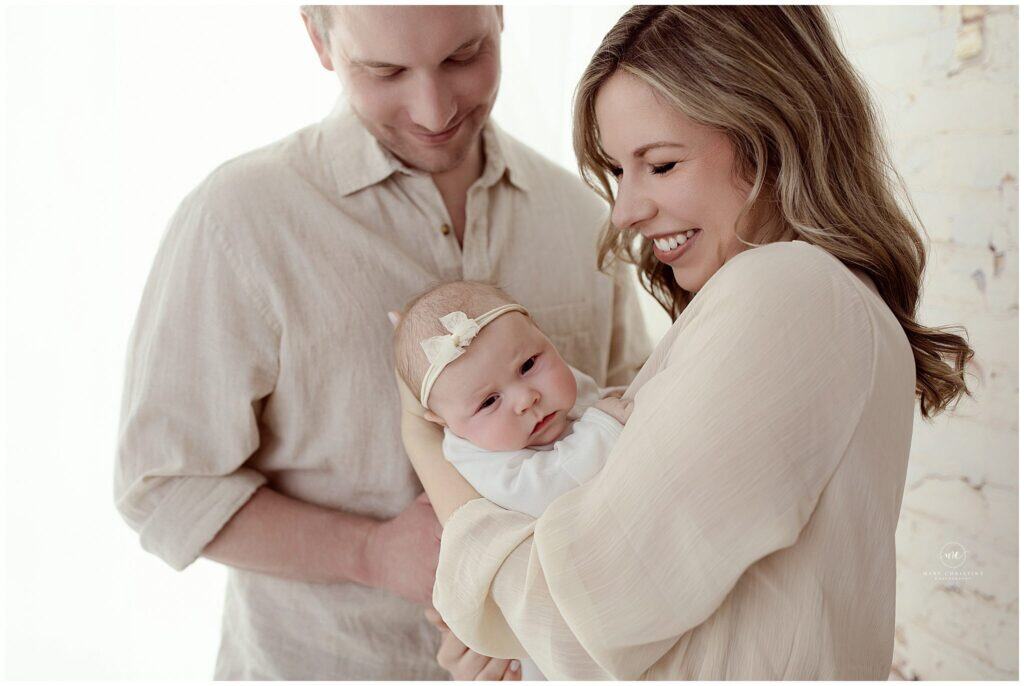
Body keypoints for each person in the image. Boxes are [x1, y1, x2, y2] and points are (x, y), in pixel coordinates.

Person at [398, 6, 974, 680]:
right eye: (618, 171)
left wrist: (427, 446)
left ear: (771, 134)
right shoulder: (786, 300)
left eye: (662, 165)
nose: (625, 211)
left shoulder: (790, 291)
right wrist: (505, 638)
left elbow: (581, 610)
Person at [113, 5, 650, 680]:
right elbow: (163, 485)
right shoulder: (239, 219)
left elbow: (634, 442)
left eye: (463, 56)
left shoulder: (579, 216)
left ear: (501, 13)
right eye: (385, 70)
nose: (433, 110)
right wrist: (369, 552)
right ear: (319, 39)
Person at [393, 280, 634, 680]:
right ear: (444, 424)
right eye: (488, 402)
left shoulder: (546, 404)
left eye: (528, 365)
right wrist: (608, 425)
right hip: (546, 633)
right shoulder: (471, 456)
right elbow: (546, 488)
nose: (525, 398)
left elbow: (592, 403)